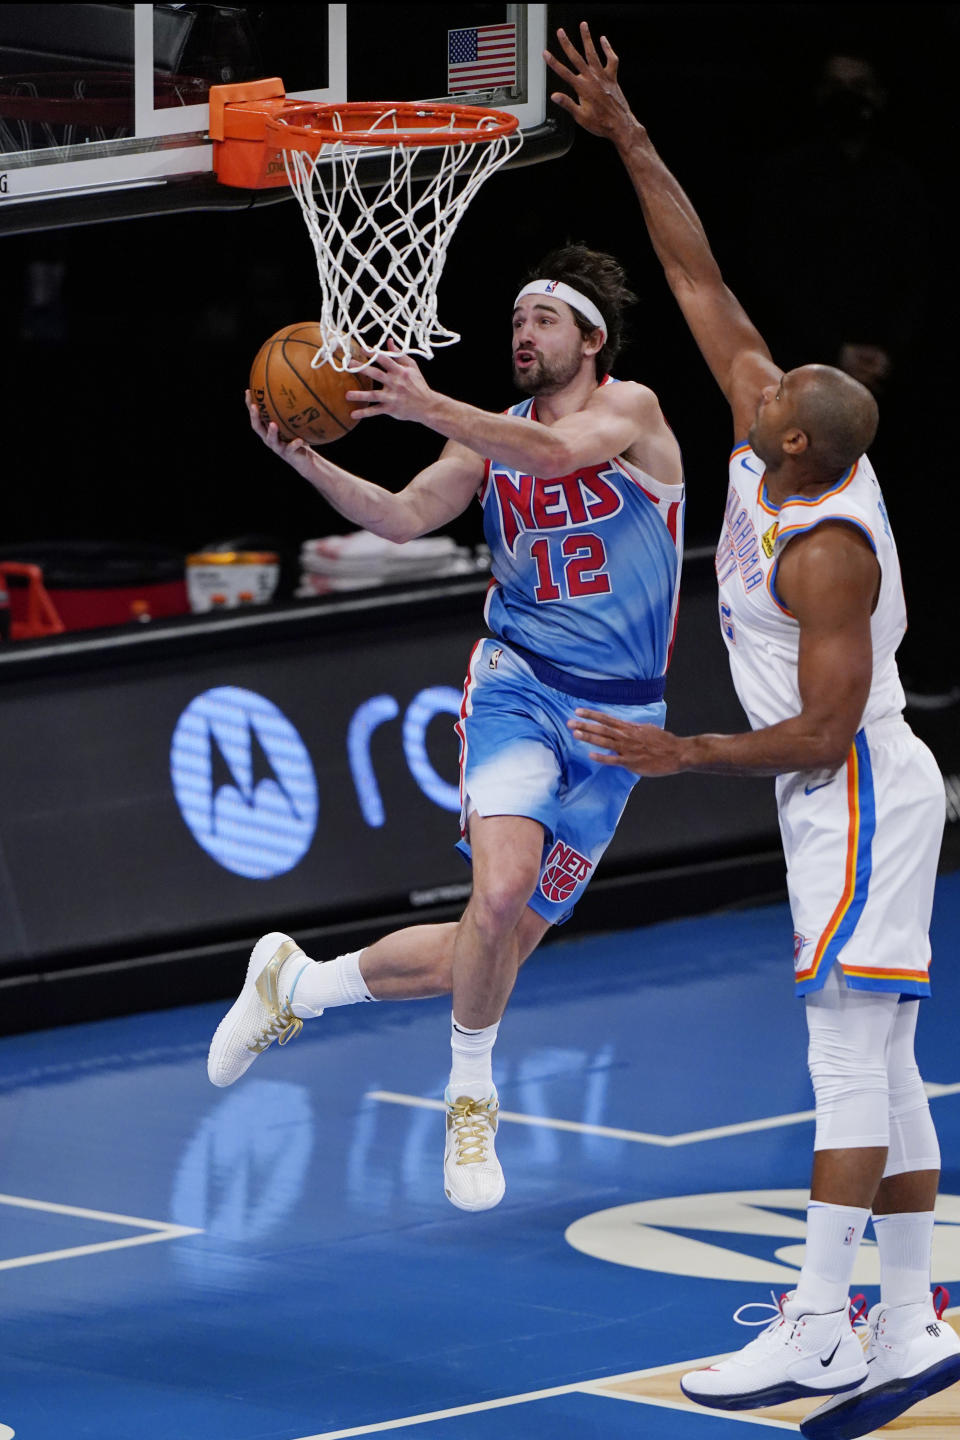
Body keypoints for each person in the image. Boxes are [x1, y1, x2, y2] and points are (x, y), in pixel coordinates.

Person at [546, 24, 959, 1440]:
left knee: (845, 1063)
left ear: (796, 452)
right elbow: (698, 274)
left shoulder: (829, 555)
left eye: (773, 394)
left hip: (856, 787)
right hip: (836, 790)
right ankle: (909, 1315)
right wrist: (631, 134)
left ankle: (821, 1325)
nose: (756, 378)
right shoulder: (775, 429)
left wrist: (683, 758)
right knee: (887, 1063)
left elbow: (822, 731)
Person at [207, 243, 684, 1215]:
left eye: (543, 318)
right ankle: (471, 1095)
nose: (522, 331)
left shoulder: (632, 414)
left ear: (591, 340)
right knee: (500, 891)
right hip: (519, 685)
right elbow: (398, 517)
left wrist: (426, 405)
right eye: (515, 319)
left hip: (621, 719)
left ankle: (297, 985)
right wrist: (307, 458)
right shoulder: (482, 441)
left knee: (489, 950)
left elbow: (556, 454)